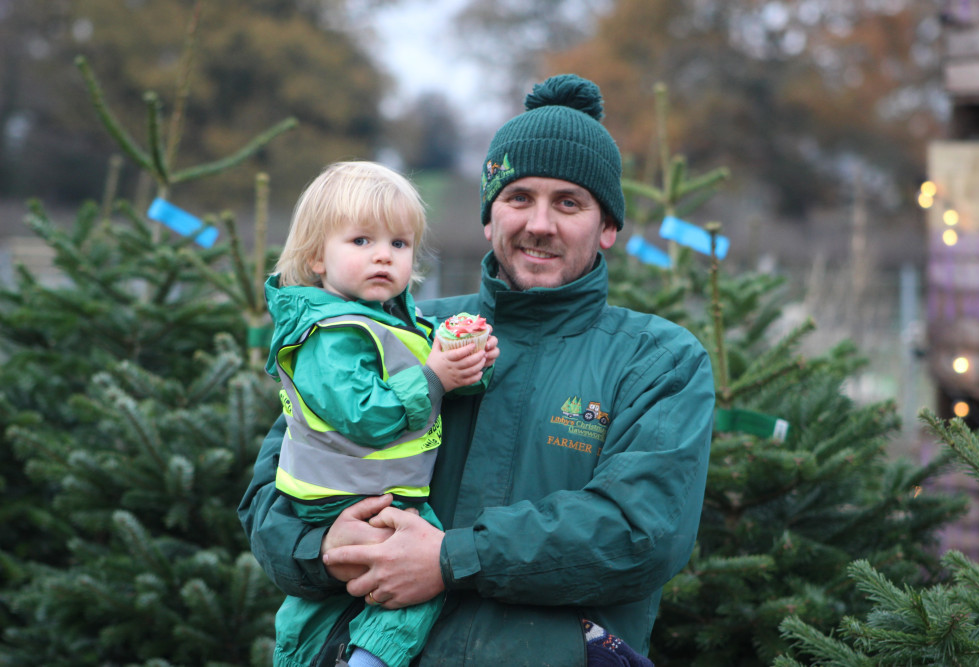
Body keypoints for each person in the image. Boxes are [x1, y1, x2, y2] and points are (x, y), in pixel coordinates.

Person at [240, 74, 715, 666]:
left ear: (608, 227)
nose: (539, 223)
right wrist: (321, 545)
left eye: (569, 202)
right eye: (519, 198)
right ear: (490, 218)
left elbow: (640, 532)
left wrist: (449, 559)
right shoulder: (399, 336)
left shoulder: (657, 359)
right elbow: (271, 496)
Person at [260, 160, 499, 667]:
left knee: (321, 602)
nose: (383, 257)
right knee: (424, 571)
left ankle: (295, 655)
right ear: (316, 258)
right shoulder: (328, 334)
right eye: (362, 241)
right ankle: (370, 661)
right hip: (344, 494)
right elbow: (365, 415)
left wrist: (466, 367)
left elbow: (425, 386)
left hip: (366, 489)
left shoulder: (388, 321)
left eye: (398, 244)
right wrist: (436, 377)